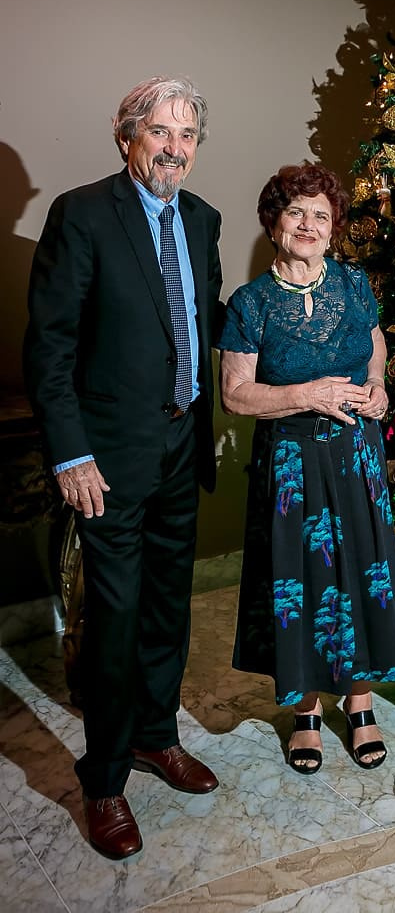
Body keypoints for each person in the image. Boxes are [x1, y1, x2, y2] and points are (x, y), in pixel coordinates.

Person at [24, 77, 222, 859]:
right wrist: (71, 452)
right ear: (127, 136)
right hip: (106, 459)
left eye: (187, 135)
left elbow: (201, 321)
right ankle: (104, 779)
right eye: (160, 132)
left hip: (182, 445)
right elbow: (50, 345)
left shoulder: (201, 219)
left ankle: (155, 735)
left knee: (169, 606)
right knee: (113, 618)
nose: (174, 148)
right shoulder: (82, 214)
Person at [218, 163, 395, 774]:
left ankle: (360, 704)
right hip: (291, 466)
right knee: (297, 582)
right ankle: (305, 711)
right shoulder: (250, 303)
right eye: (296, 212)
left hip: (357, 457)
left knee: (363, 574)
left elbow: (375, 343)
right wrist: (308, 394)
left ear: (334, 227)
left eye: (321, 215)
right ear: (273, 223)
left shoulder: (354, 284)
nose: (308, 224)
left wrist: (378, 386)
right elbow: (236, 395)